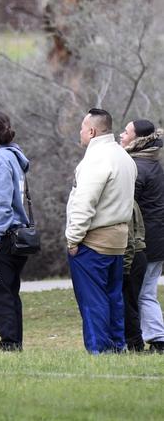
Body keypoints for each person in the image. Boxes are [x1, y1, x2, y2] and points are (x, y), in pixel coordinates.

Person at [66, 108, 137, 354]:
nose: (80, 132)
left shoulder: (96, 160)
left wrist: (73, 239)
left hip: (93, 242)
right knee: (113, 297)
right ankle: (118, 346)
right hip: (118, 240)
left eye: (82, 128)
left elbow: (84, 204)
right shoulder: (124, 157)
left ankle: (100, 350)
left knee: (93, 300)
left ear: (92, 131)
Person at [0, 111, 30, 352]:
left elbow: (2, 203)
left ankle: (9, 343)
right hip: (19, 234)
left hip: (5, 236)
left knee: (0, 293)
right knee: (11, 292)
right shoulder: (15, 157)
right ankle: (15, 341)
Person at [120, 118, 164, 353]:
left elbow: (128, 203)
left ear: (137, 139)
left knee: (142, 293)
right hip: (158, 239)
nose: (121, 135)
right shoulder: (152, 164)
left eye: (126, 132)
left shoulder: (137, 168)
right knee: (146, 291)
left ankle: (156, 339)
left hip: (148, 241)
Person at [121, 200, 147, 352]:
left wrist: (125, 267)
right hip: (137, 255)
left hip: (132, 257)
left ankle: (135, 344)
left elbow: (129, 238)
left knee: (128, 304)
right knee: (130, 302)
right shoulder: (131, 199)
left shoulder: (126, 202)